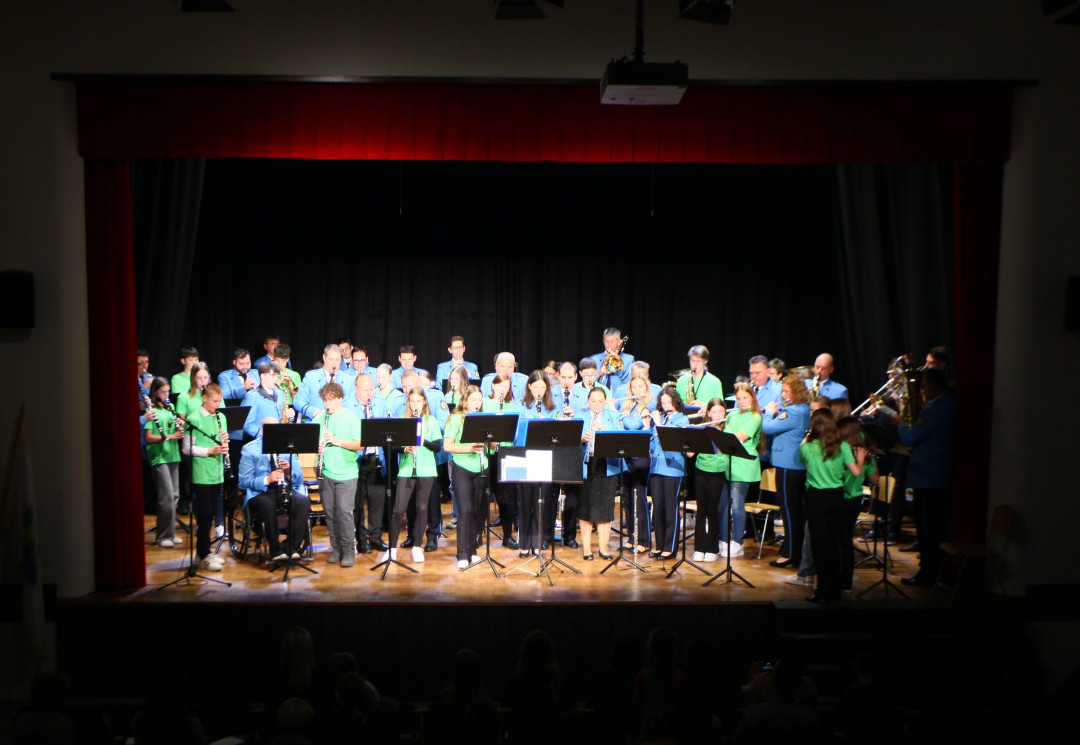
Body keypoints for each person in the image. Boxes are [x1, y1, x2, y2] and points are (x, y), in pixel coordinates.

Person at [897, 367, 957, 588]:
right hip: (933, 476)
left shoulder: (937, 410)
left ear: (933, 387)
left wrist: (899, 423)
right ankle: (931, 573)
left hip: (930, 477)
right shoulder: (945, 405)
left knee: (929, 531)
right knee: (930, 529)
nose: (921, 390)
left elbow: (910, 437)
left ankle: (928, 575)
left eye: (924, 386)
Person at [799, 408, 866, 603]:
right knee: (834, 543)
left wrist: (809, 436)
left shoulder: (808, 447)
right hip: (837, 497)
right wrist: (860, 460)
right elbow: (855, 472)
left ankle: (823, 591)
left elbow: (802, 458)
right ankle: (835, 590)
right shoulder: (843, 446)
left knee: (819, 545)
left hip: (816, 497)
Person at [238, 417, 310, 561]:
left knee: (302, 501)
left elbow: (299, 477)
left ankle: (292, 547)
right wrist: (267, 479)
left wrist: (289, 471)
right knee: (267, 504)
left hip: (283, 488)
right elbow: (243, 481)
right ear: (262, 431)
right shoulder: (250, 449)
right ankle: (275, 550)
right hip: (261, 491)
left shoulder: (288, 447)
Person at [385, 389, 443, 564]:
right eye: (412, 401)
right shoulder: (403, 421)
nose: (415, 404)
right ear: (408, 402)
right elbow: (392, 445)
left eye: (418, 401)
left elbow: (437, 447)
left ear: (424, 402)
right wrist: (405, 449)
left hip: (426, 469)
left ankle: (418, 546)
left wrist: (422, 440)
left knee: (422, 508)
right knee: (399, 510)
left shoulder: (430, 421)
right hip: (407, 468)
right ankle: (392, 549)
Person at [763, 375, 813, 571]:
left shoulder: (792, 412)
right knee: (796, 511)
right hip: (796, 467)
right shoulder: (802, 409)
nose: (782, 394)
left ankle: (789, 553)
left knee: (789, 511)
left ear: (795, 392)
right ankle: (796, 550)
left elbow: (768, 427)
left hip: (788, 466)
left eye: (785, 391)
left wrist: (769, 412)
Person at [181, 382, 229, 571]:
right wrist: (211, 450)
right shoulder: (194, 418)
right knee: (205, 516)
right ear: (204, 399)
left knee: (212, 514)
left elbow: (220, 440)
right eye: (215, 401)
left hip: (217, 472)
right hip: (202, 474)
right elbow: (186, 448)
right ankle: (202, 554)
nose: (218, 404)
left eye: (220, 400)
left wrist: (224, 444)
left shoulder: (221, 417)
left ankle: (205, 553)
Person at [315, 382, 364, 567]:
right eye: (325, 401)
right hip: (326, 472)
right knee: (330, 513)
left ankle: (349, 550)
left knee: (344, 512)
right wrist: (316, 447)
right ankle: (336, 549)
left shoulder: (351, 418)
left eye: (330, 400)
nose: (327, 404)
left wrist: (336, 441)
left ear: (340, 399)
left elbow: (360, 444)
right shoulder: (321, 419)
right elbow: (309, 439)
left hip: (347, 473)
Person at [577, 386, 625, 560]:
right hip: (587, 464)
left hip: (607, 465)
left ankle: (604, 549)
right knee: (586, 509)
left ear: (605, 402)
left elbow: (621, 440)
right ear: (588, 402)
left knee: (605, 509)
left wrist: (605, 430)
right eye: (593, 401)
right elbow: (571, 439)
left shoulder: (613, 416)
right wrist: (582, 438)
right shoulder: (581, 417)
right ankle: (587, 550)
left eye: (600, 401)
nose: (596, 405)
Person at [715, 384, 763, 558]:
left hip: (743, 464)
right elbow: (723, 434)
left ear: (752, 398)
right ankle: (724, 540)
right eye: (739, 398)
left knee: (736, 505)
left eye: (745, 398)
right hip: (726, 463)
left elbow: (738, 437)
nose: (742, 401)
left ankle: (738, 542)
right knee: (722, 506)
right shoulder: (733, 413)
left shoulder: (755, 416)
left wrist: (725, 429)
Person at [343, 372, 389, 554]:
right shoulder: (347, 406)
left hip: (377, 458)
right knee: (358, 503)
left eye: (371, 389)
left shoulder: (380, 403)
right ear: (356, 390)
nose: (370, 393)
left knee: (377, 500)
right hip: (357, 460)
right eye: (365, 390)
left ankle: (375, 537)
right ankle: (361, 540)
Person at [443, 385, 487, 569]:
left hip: (481, 468)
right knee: (466, 510)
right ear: (466, 401)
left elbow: (491, 448)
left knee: (477, 511)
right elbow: (447, 446)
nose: (477, 403)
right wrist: (469, 448)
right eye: (473, 400)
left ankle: (472, 551)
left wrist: (492, 441)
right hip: (462, 467)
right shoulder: (456, 419)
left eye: (479, 400)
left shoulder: (485, 419)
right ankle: (462, 553)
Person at [516, 370, 558, 556]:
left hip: (543, 458)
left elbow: (556, 436)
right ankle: (524, 543)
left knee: (541, 502)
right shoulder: (520, 406)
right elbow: (516, 434)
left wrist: (547, 425)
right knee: (525, 502)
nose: (539, 391)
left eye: (543, 387)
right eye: (536, 387)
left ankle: (537, 541)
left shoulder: (552, 409)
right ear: (529, 387)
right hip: (524, 458)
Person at [646, 386, 689, 560]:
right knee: (658, 508)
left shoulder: (682, 419)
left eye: (667, 402)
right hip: (656, 466)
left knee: (671, 508)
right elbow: (652, 441)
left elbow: (670, 439)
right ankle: (659, 545)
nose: (664, 405)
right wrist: (647, 427)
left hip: (672, 468)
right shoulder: (661, 418)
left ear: (675, 401)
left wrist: (658, 424)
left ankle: (670, 548)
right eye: (662, 402)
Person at [483, 373, 522, 548]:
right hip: (486, 454)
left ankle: (507, 536)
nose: (503, 390)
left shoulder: (513, 405)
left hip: (506, 454)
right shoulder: (484, 403)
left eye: (506, 387)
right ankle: (478, 534)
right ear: (493, 386)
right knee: (482, 496)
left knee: (506, 498)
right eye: (500, 387)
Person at [144, 376, 184, 548]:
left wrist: (179, 426)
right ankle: (161, 536)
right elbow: (148, 438)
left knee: (175, 496)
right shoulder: (151, 410)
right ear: (155, 392)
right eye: (163, 392)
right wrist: (170, 436)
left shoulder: (170, 407)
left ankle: (170, 533)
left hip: (173, 454)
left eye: (168, 391)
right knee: (166, 497)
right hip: (159, 456)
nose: (166, 395)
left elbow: (174, 429)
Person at [838, 416, 878, 590]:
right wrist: (872, 461)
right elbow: (875, 480)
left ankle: (838, 578)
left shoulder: (841, 449)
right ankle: (846, 580)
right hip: (855, 498)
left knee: (839, 540)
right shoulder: (864, 452)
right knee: (846, 539)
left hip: (841, 498)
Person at [618, 376, 657, 554]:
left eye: (640, 387)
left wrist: (616, 415)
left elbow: (634, 425)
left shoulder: (650, 406)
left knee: (639, 497)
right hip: (627, 454)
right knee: (626, 496)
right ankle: (632, 537)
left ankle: (644, 540)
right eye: (634, 388)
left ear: (646, 388)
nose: (637, 390)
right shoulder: (630, 406)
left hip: (641, 455)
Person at [691, 398, 728, 562]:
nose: (718, 414)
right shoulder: (703, 429)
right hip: (700, 470)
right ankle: (699, 548)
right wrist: (690, 434)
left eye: (721, 411)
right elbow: (690, 454)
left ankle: (712, 548)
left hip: (718, 472)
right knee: (701, 510)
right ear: (709, 414)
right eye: (714, 412)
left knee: (713, 511)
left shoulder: (728, 429)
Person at [294, 344, 355, 422]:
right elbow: (298, 402)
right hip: (315, 424)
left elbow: (352, 406)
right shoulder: (311, 377)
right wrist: (314, 412)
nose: (334, 363)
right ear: (324, 357)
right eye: (331, 359)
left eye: (337, 360)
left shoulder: (348, 380)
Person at [242, 361, 293, 439]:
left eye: (277, 375)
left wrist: (290, 416)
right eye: (273, 375)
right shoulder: (252, 396)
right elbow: (247, 424)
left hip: (279, 438)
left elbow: (283, 417)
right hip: (262, 441)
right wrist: (263, 435)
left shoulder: (280, 393)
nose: (276, 379)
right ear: (262, 376)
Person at [675, 344, 724, 410]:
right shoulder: (681, 380)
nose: (695, 364)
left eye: (698, 361)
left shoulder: (715, 382)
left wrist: (702, 405)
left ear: (705, 361)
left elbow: (720, 408)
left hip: (707, 419)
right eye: (692, 360)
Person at [591, 326, 634, 391]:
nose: (609, 345)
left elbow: (630, 382)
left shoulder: (629, 359)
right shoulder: (594, 359)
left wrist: (617, 367)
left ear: (619, 341)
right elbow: (587, 384)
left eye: (612, 341)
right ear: (603, 341)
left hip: (619, 399)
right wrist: (599, 373)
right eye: (606, 341)